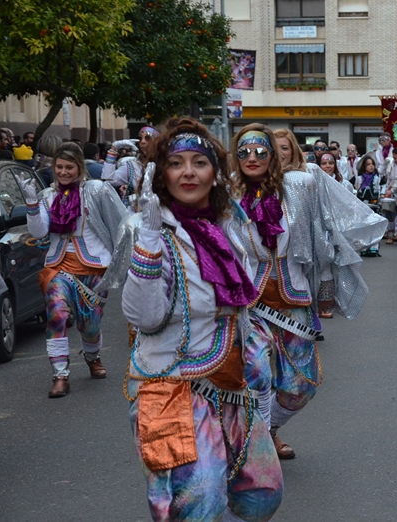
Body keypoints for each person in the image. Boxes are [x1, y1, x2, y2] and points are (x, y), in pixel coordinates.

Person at [121, 119, 283, 520]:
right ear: (162, 174)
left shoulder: (226, 227)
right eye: (176, 163)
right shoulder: (150, 230)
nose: (189, 172)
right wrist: (148, 240)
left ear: (215, 173)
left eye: (199, 162)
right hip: (170, 390)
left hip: (227, 386)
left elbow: (241, 302)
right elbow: (144, 317)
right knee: (198, 502)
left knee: (262, 493)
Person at [233, 124, 385, 459]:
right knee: (254, 376)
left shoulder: (300, 185)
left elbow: (326, 229)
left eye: (261, 150)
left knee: (301, 386)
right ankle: (256, 448)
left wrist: (328, 280)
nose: (253, 157)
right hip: (249, 305)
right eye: (244, 151)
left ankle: (268, 429)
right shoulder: (227, 194)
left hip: (293, 301)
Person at [20, 143, 127, 397]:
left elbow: (120, 224)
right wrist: (32, 203)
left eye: (69, 167)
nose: (64, 172)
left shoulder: (98, 190)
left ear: (79, 168)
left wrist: (123, 264)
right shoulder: (48, 195)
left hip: (94, 269)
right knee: (56, 314)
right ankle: (60, 375)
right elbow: (39, 231)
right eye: (59, 167)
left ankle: (92, 357)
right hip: (59, 268)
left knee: (90, 325)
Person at [102, 125, 160, 209]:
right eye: (140, 138)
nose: (142, 142)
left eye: (147, 138)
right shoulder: (132, 165)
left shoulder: (166, 163)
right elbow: (108, 180)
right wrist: (113, 149)